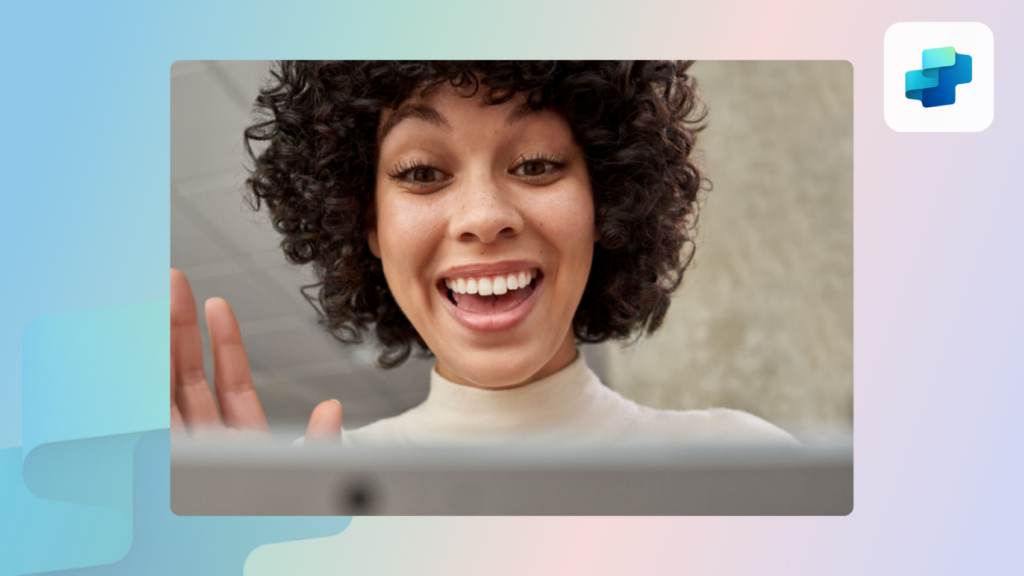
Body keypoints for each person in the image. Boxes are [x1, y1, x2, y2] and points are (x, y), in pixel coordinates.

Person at [170, 61, 795, 446]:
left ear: (603, 202)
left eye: (537, 164)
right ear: (368, 224)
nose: (484, 218)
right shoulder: (312, 490)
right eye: (420, 173)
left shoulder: (749, 468)